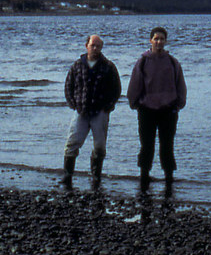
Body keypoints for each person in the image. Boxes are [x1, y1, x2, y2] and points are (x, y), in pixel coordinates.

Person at [127, 26, 187, 191]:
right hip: (146, 110)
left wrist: (179, 104)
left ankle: (169, 178)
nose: (159, 42)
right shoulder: (143, 61)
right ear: (150, 40)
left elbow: (180, 85)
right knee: (147, 145)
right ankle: (144, 176)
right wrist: (134, 103)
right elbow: (135, 84)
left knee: (167, 145)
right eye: (156, 39)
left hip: (168, 110)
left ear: (165, 41)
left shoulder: (173, 62)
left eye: (162, 39)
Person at [63, 34, 122, 187]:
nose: (95, 48)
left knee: (100, 146)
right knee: (72, 143)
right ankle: (68, 175)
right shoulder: (77, 65)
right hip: (80, 111)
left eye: (98, 46)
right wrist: (72, 103)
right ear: (86, 46)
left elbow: (116, 89)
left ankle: (96, 176)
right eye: (92, 45)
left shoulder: (108, 66)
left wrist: (109, 106)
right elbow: (68, 86)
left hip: (100, 112)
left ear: (101, 48)